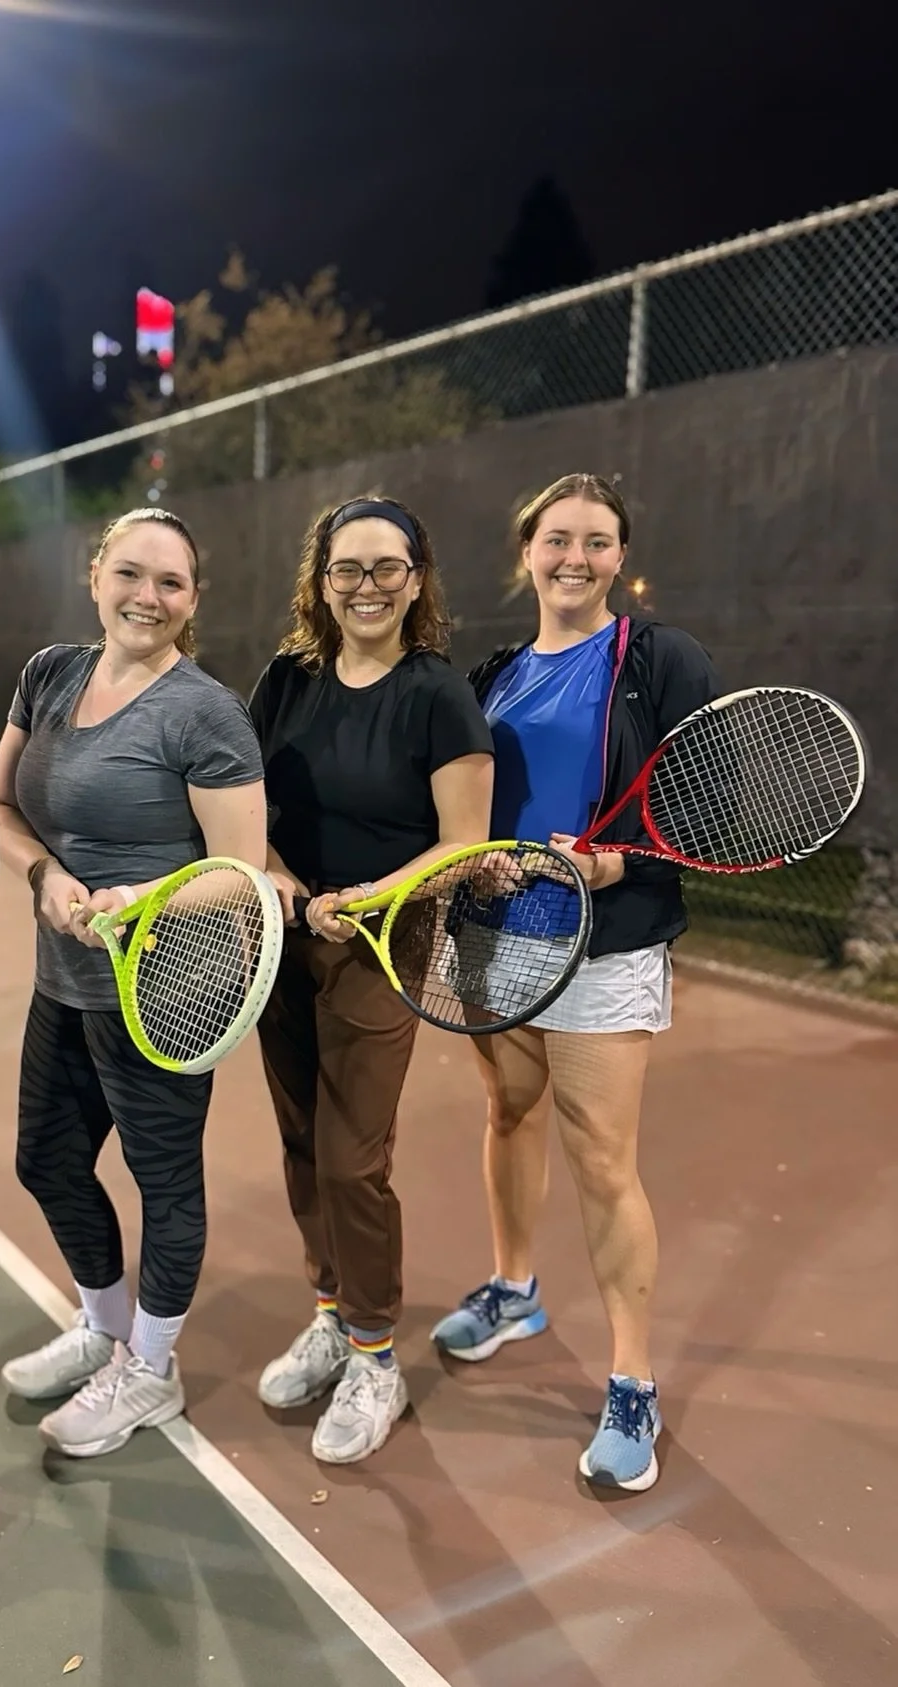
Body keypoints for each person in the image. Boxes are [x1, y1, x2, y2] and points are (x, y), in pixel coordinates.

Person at [431, 472, 719, 1493]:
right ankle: (516, 1290)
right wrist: (468, 858)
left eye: (597, 542)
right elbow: (458, 803)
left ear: (619, 558)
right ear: (528, 551)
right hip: (496, 933)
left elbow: (700, 801)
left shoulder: (656, 661)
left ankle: (631, 1379)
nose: (575, 558)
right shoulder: (493, 673)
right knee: (510, 1113)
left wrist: (620, 861)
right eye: (558, 539)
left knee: (603, 1158)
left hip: (604, 942)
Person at [0, 507, 267, 1457]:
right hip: (64, 977)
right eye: (132, 573)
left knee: (163, 1184)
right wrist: (47, 875)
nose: (148, 596)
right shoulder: (50, 673)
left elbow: (243, 874)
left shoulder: (204, 711)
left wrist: (140, 898)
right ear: (96, 573)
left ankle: (151, 1371)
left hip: (168, 991)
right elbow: (1, 806)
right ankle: (103, 1328)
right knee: (47, 1160)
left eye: (172, 583)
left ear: (193, 601)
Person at [248, 495, 495, 1464]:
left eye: (387, 568)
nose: (366, 587)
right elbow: (244, 801)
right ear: (320, 581)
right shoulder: (286, 678)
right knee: (304, 1139)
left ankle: (376, 1354)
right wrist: (276, 876)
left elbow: (464, 844)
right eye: (347, 569)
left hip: (384, 940)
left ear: (418, 578)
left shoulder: (437, 693)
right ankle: (329, 1312)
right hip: (284, 931)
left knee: (356, 1157)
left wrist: (364, 897)